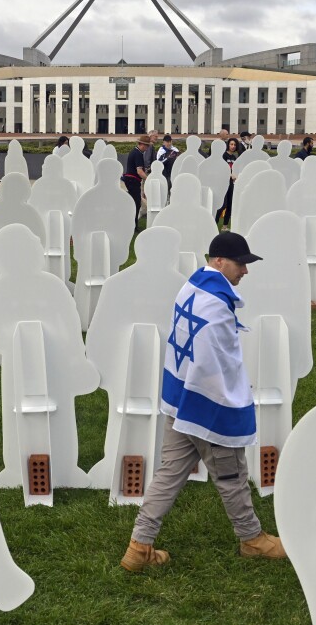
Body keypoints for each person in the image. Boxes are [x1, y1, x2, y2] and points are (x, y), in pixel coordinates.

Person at [121, 232, 287, 571]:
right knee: (231, 475)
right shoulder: (214, 304)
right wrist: (230, 408)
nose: (246, 271)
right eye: (241, 264)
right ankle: (252, 539)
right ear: (220, 262)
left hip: (182, 399)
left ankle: (139, 546)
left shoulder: (190, 288)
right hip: (208, 405)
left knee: (169, 473)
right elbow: (217, 367)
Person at [121, 132, 153, 223]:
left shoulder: (135, 152)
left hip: (131, 180)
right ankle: (133, 224)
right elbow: (139, 171)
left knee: (135, 202)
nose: (147, 148)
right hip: (133, 180)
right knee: (136, 203)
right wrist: (148, 179)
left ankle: (133, 223)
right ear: (142, 144)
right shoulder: (138, 154)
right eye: (147, 146)